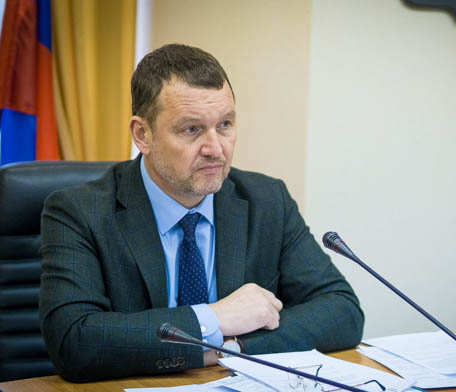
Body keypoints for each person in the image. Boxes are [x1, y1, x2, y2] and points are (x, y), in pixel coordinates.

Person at [39, 44, 364, 383]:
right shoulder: (79, 211)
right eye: (191, 129)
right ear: (142, 135)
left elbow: (342, 311)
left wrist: (232, 348)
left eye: (225, 124)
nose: (215, 148)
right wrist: (214, 319)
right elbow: (73, 340)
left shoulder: (267, 201)